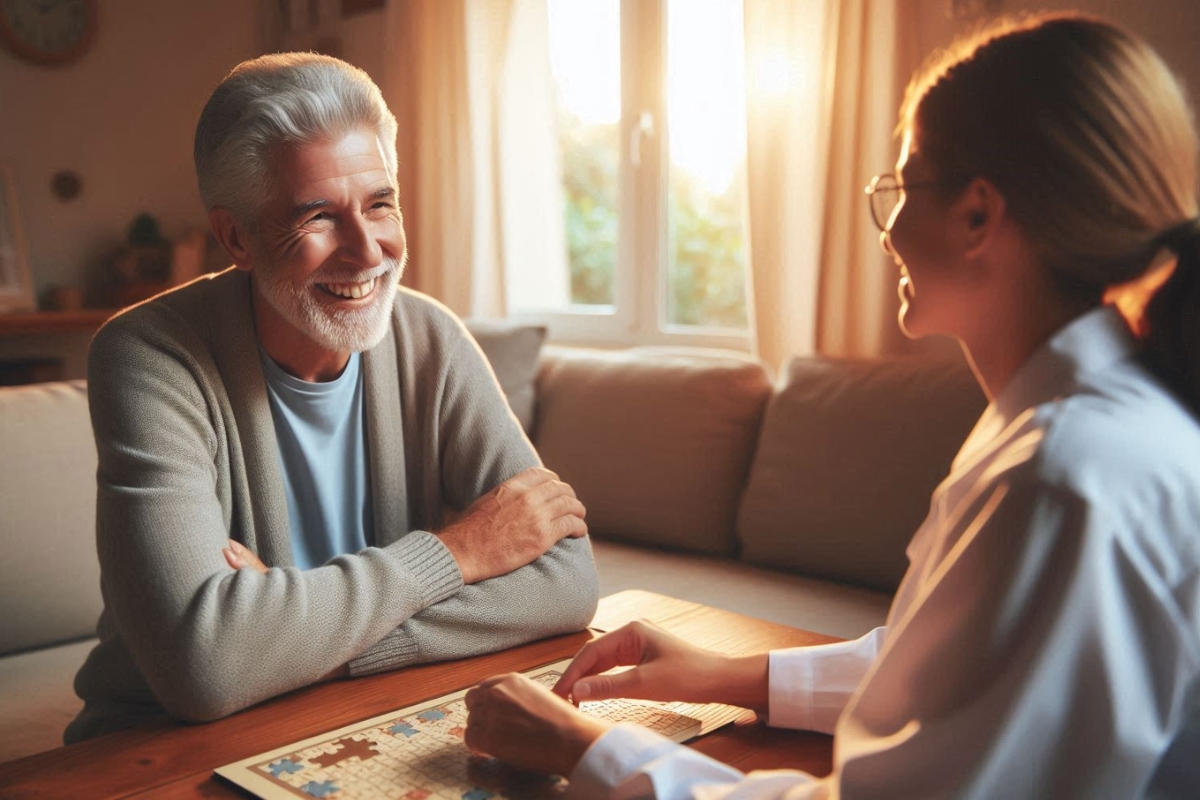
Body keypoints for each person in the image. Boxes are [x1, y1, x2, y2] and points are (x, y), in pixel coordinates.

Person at [463, 13, 1200, 797]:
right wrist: (732, 674)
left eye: (902, 186)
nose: (886, 231)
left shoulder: (1063, 477)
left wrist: (588, 749)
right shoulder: (1096, 423)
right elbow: (964, 673)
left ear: (979, 215)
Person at [65, 53, 597, 743]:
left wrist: (288, 645)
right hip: (159, 748)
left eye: (380, 203)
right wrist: (459, 553)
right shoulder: (148, 358)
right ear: (237, 238)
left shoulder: (432, 338)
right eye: (318, 215)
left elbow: (567, 580)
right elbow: (206, 665)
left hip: (364, 724)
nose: (366, 250)